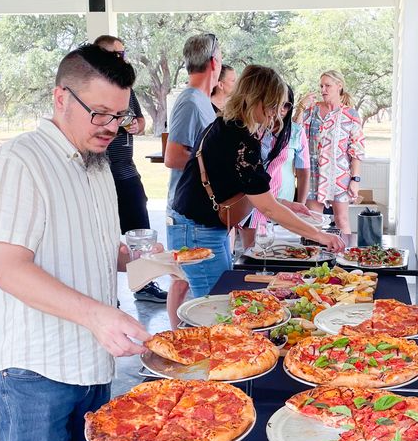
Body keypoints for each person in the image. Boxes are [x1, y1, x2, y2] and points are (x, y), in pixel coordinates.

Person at [0, 44, 151, 441]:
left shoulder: (96, 165)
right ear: (60, 98)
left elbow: (94, 247)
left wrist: (145, 259)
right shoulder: (19, 162)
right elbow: (11, 270)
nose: (112, 127)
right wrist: (97, 314)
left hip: (92, 361)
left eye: (120, 116)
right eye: (100, 113)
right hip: (36, 368)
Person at [171, 65, 344, 297]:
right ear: (255, 99)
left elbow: (253, 191)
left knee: (221, 295)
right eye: (272, 105)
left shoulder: (228, 125)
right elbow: (266, 206)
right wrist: (320, 235)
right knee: (214, 301)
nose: (274, 113)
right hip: (198, 228)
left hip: (206, 226)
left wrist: (288, 204)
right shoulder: (238, 137)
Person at [94, 34, 167, 304]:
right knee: (104, 237)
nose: (121, 59)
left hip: (127, 171)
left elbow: (138, 120)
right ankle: (106, 294)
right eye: (116, 54)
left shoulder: (127, 87)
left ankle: (145, 285)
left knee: (140, 232)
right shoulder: (92, 89)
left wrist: (136, 124)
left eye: (123, 54)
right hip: (100, 172)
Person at [164, 32, 221, 326]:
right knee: (197, 293)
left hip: (197, 214)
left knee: (182, 281)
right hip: (187, 217)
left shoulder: (202, 100)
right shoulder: (189, 101)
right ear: (214, 62)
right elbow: (173, 156)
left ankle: (177, 340)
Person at [302, 70, 364, 244]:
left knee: (342, 220)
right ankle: (316, 263)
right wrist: (301, 107)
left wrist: (355, 179)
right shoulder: (311, 111)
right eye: (321, 86)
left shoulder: (350, 115)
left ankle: (345, 261)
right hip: (313, 175)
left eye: (328, 85)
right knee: (314, 223)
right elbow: (295, 133)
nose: (323, 89)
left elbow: (357, 149)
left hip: (340, 176)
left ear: (339, 86)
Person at [245, 86, 310, 242]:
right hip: (254, 201)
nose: (282, 109)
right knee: (253, 252)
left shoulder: (296, 132)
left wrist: (299, 204)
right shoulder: (253, 129)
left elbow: (303, 172)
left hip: (284, 202)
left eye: (287, 105)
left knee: (281, 252)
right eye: (279, 104)